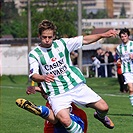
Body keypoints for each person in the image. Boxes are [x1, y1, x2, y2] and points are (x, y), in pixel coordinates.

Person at [28, 19, 117, 132]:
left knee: (104, 108)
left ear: (54, 36)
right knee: (65, 120)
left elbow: (84, 40)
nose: (47, 40)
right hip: (57, 93)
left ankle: (100, 116)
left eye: (50, 37)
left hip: (75, 85)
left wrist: (103, 35)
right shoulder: (34, 54)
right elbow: (33, 75)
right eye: (44, 37)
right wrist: (43, 77)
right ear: (39, 36)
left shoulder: (62, 44)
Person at [16, 84, 88, 133]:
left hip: (60, 125)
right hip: (75, 120)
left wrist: (36, 88)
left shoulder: (52, 102)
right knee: (59, 120)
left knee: (56, 120)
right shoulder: (61, 96)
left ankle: (42, 111)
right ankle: (42, 111)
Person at [116, 28, 133, 110]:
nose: (123, 38)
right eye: (122, 36)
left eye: (125, 36)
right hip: (126, 70)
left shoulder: (132, 44)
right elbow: (119, 58)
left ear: (128, 36)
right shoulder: (119, 48)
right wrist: (118, 61)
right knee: (131, 89)